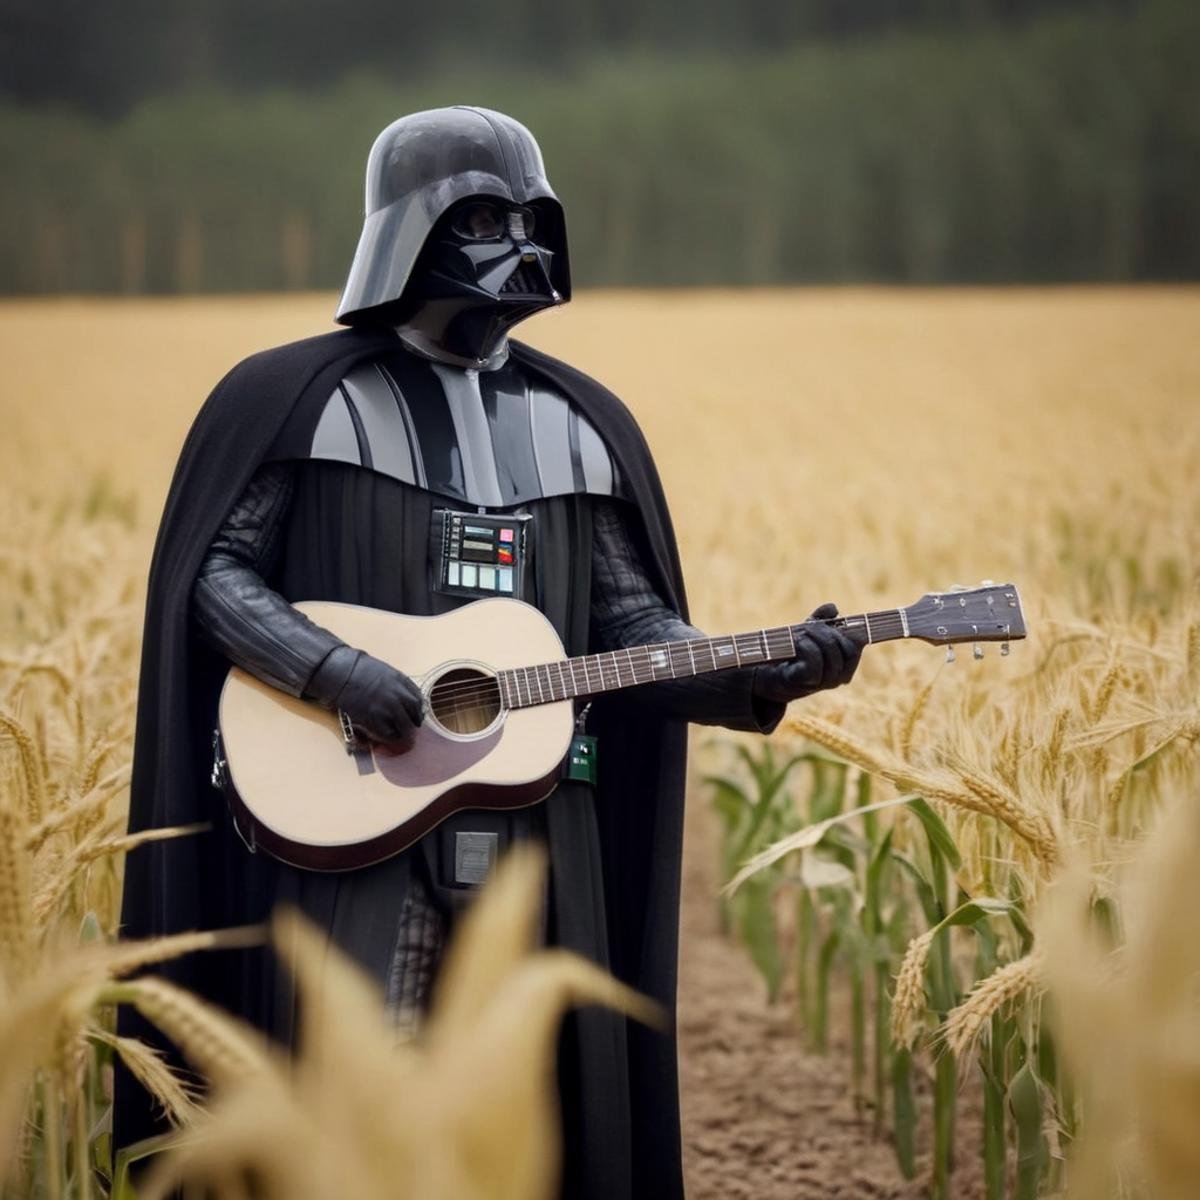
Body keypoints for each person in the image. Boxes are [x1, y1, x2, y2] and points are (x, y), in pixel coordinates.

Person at [115, 106, 863, 1199]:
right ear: (409, 230)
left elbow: (632, 629)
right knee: (355, 1095)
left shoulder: (580, 424)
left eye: (530, 215)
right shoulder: (297, 400)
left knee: (530, 1104)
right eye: (480, 215)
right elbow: (212, 577)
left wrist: (758, 672)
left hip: (539, 827)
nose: (514, 241)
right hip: (347, 824)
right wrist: (333, 671)